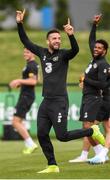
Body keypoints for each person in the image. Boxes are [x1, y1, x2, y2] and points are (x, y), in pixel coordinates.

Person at [16, 9, 105, 173]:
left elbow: (75, 51)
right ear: (47, 40)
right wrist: (19, 23)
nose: (57, 41)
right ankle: (52, 165)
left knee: (62, 136)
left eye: (59, 38)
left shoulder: (64, 55)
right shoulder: (42, 53)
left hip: (59, 101)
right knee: (42, 134)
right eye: (54, 38)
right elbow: (25, 40)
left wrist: (71, 35)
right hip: (46, 102)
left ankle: (92, 130)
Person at [69, 14, 110, 163]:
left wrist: (87, 80)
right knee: (87, 127)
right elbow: (91, 40)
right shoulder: (94, 60)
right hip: (87, 96)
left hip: (95, 98)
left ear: (104, 51)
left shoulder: (103, 65)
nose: (96, 48)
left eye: (100, 48)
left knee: (89, 127)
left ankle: (101, 153)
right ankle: (100, 153)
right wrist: (94, 25)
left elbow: (103, 84)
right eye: (96, 47)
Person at [10, 48, 39, 154]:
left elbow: (33, 81)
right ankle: (29, 145)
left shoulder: (31, 65)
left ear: (33, 53)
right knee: (18, 122)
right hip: (26, 95)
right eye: (24, 52)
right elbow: (37, 79)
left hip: (26, 96)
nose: (25, 54)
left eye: (27, 52)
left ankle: (31, 144)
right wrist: (21, 83)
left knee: (15, 122)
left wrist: (18, 80)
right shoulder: (32, 65)